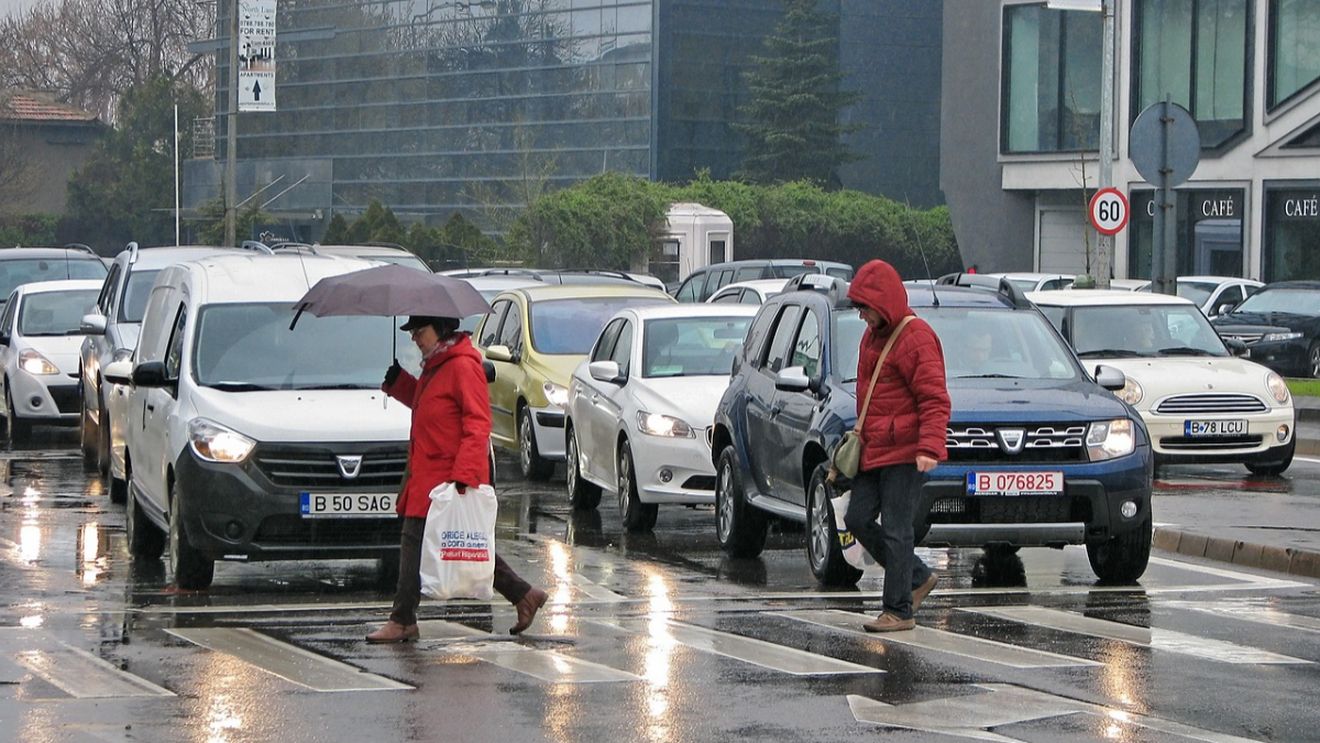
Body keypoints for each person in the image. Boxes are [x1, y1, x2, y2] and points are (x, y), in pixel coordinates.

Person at [367, 315, 548, 643]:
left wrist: (463, 476)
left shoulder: (462, 365)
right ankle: (524, 595)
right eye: (412, 333)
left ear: (440, 329)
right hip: (429, 474)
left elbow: (478, 421)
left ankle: (402, 619)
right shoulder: (436, 364)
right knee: (461, 544)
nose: (414, 339)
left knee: (425, 541)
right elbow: (431, 408)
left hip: (447, 477)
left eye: (419, 332)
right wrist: (399, 382)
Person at [844, 259, 952, 632]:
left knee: (896, 527)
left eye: (865, 308)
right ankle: (918, 576)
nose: (861, 316)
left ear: (883, 302)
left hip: (906, 452)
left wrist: (929, 447)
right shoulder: (872, 336)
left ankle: (899, 610)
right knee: (856, 518)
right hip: (875, 450)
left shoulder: (915, 337)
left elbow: (935, 399)